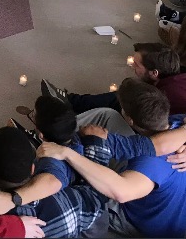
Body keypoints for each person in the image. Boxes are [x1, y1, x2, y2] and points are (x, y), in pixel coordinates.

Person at [37, 78, 186, 237]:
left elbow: (121, 192)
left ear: (129, 119)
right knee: (108, 115)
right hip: (155, 193)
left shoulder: (149, 164)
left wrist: (67, 154)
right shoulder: (178, 122)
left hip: (133, 221)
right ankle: (56, 135)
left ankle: (43, 155)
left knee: (82, 191)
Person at [42, 43, 186, 116]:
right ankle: (72, 102)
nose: (132, 67)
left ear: (154, 73)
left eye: (136, 65)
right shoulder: (175, 77)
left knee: (120, 99)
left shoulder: (170, 93)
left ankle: (70, 104)